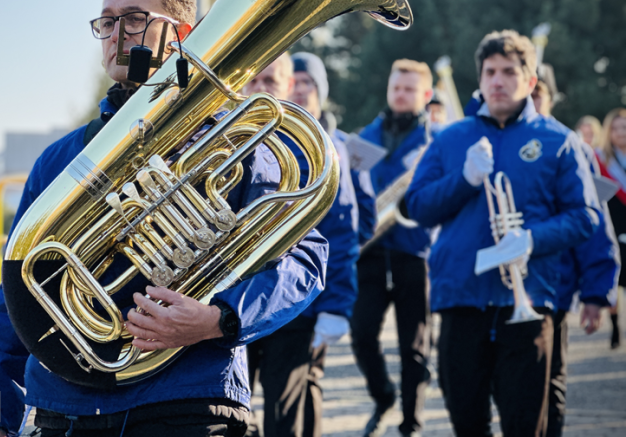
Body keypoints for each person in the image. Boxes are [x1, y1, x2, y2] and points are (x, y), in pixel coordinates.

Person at [0, 0, 329, 437]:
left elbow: (305, 259)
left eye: (135, 18)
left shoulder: (236, 143)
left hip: (189, 401)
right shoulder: (60, 159)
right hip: (66, 409)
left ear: (180, 33)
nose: (117, 33)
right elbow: (19, 295)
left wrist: (217, 319)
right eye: (107, 22)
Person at [406, 30, 600, 437]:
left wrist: (531, 239)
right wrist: (463, 180)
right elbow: (417, 207)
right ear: (479, 79)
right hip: (460, 299)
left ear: (530, 82)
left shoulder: (559, 141)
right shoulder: (450, 138)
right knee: (467, 424)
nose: (497, 80)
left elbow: (586, 216)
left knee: (525, 426)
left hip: (529, 302)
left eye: (509, 72)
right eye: (490, 71)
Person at [240, 52, 361, 437]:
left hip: (290, 307)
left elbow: (341, 232)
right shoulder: (221, 139)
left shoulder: (318, 147)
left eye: (270, 82)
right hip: (226, 306)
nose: (260, 90)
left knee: (284, 418)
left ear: (290, 87)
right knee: (230, 415)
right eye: (253, 81)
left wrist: (337, 307)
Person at [531, 82, 621, 437]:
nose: (531, 102)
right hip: (501, 287)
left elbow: (593, 221)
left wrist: (596, 293)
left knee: (550, 379)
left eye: (538, 96)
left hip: (555, 284)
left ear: (550, 100)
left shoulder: (570, 146)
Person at [350, 59, 433, 437]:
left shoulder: (435, 143)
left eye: (409, 89)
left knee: (413, 346)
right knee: (362, 334)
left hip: (413, 253)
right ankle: (383, 395)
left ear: (426, 95)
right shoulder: (364, 137)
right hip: (368, 253)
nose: (400, 94)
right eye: (396, 87)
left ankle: (411, 422)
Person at [596, 108, 626, 349]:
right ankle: (615, 325)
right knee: (615, 280)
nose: (620, 133)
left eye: (624, 127)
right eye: (615, 128)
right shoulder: (600, 159)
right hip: (613, 225)